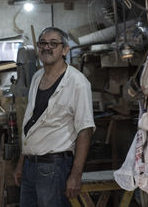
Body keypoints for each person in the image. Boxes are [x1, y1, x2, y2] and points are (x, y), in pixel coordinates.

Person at [13, 27, 95, 207]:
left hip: (54, 168)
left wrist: (76, 175)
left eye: (53, 44)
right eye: (42, 43)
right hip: (30, 166)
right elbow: (31, 123)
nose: (46, 47)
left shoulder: (78, 83)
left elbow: (85, 130)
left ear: (65, 50)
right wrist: (22, 162)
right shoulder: (37, 77)